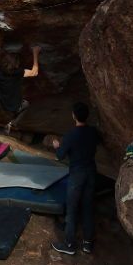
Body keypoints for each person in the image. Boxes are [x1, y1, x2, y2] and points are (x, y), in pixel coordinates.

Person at [51, 101, 100, 256]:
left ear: (74, 116)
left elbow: (60, 156)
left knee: (72, 209)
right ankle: (87, 244)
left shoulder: (70, 135)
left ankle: (70, 244)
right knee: (88, 208)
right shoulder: (94, 132)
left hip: (77, 173)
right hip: (91, 171)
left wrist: (57, 145)